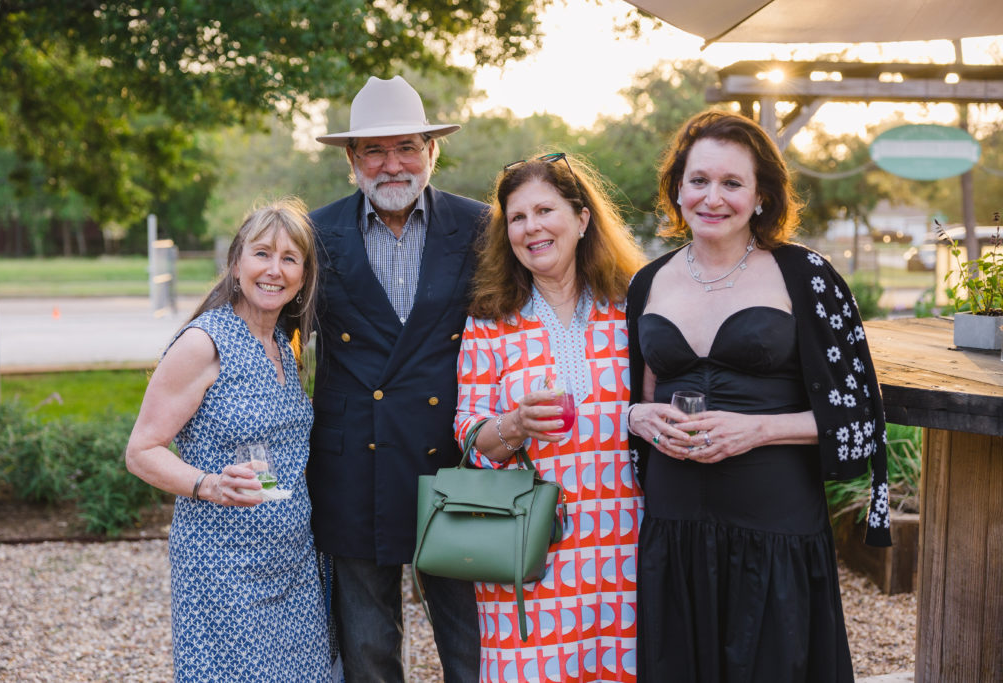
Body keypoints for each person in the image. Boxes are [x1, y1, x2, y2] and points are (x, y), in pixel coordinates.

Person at [625, 110, 892, 682]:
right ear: (677, 188)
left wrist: (760, 429)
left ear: (762, 194)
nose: (712, 198)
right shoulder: (648, 282)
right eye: (698, 181)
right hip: (675, 522)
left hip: (773, 521)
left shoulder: (807, 276)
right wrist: (638, 414)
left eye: (731, 183)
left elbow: (860, 412)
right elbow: (641, 395)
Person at [306, 75, 484, 683]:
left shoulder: (483, 228)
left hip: (456, 459)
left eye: (406, 146)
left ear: (432, 151)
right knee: (370, 650)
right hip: (354, 458)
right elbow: (265, 326)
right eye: (374, 151)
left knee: (471, 643)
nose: (392, 165)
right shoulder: (313, 234)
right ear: (352, 159)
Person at [455, 151, 645, 682]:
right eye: (517, 217)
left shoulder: (633, 307)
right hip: (529, 549)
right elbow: (469, 437)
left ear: (582, 219)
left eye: (545, 210)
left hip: (626, 548)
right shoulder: (490, 320)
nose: (531, 227)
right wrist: (514, 424)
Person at [125, 198, 332, 682]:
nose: (274, 270)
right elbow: (141, 450)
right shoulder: (204, 343)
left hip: (293, 565)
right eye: (262, 254)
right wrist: (210, 485)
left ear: (303, 275)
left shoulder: (285, 341)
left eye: (289, 258)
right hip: (224, 568)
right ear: (236, 263)